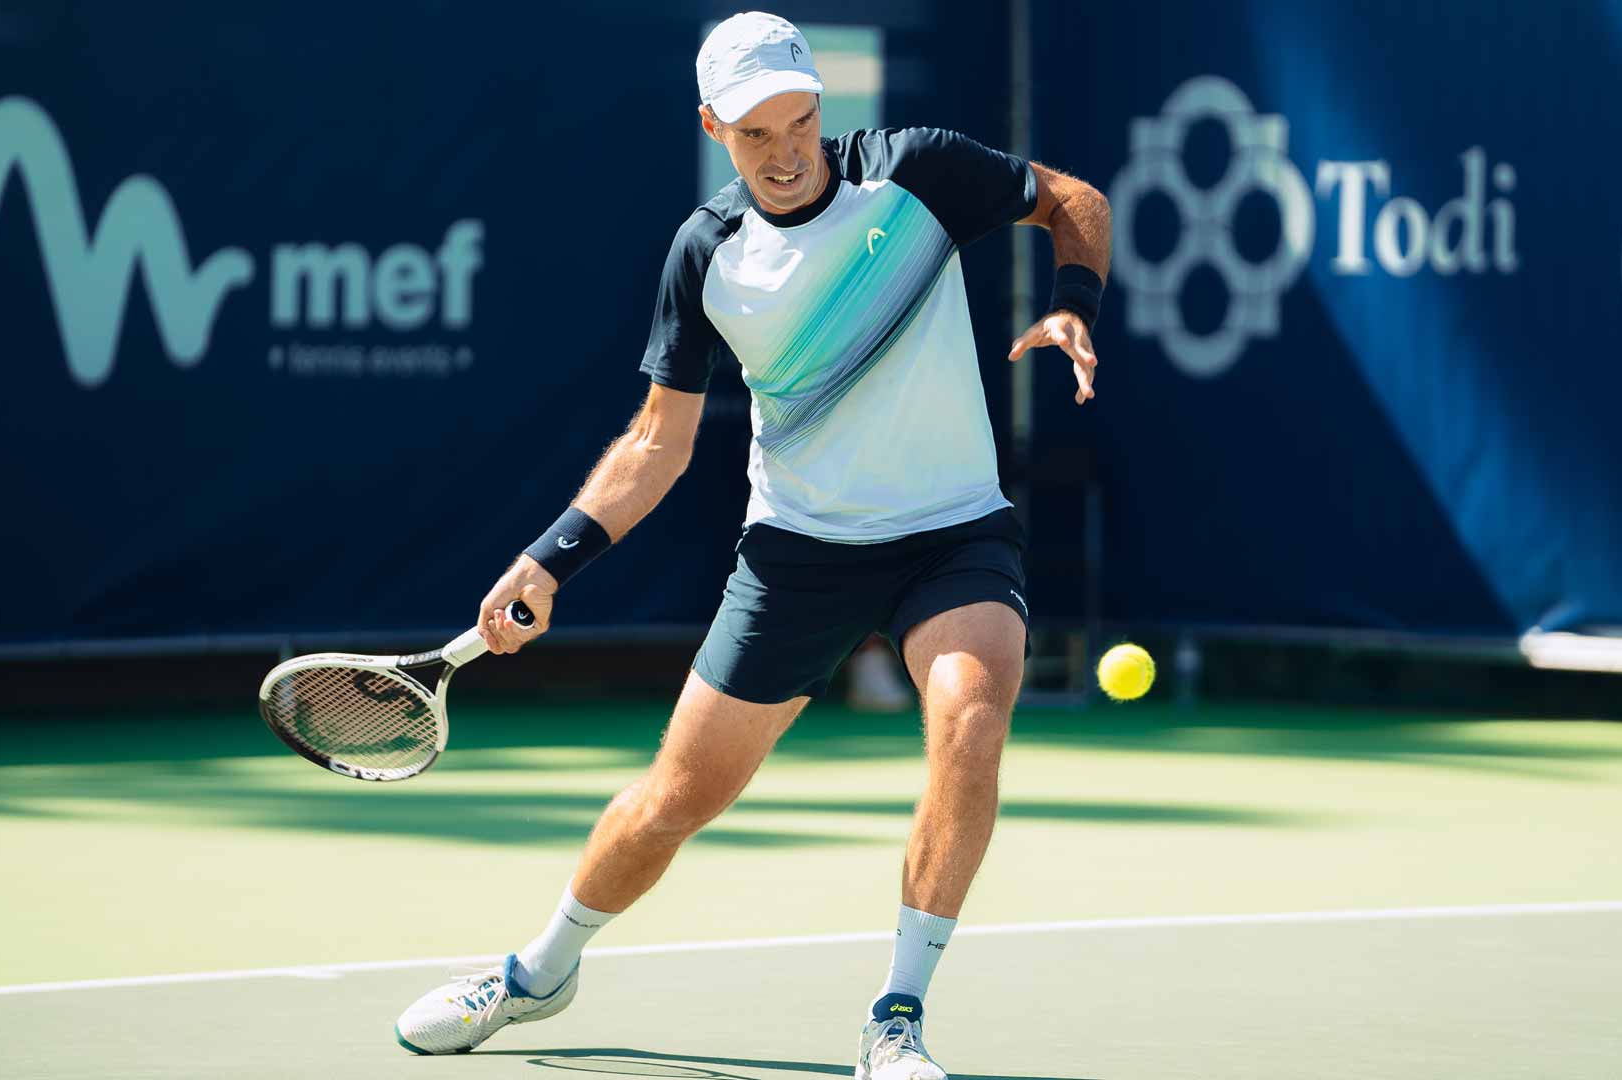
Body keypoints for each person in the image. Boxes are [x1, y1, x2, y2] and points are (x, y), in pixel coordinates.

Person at [393, 12, 1110, 1078]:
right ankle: (538, 973)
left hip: (951, 527)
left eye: (801, 122)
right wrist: (548, 558)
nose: (783, 152)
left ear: (826, 106)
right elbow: (656, 443)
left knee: (971, 706)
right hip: (800, 549)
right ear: (712, 128)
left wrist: (1069, 304)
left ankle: (897, 1018)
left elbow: (1072, 199)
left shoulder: (915, 175)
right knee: (673, 803)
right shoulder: (709, 253)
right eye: (754, 133)